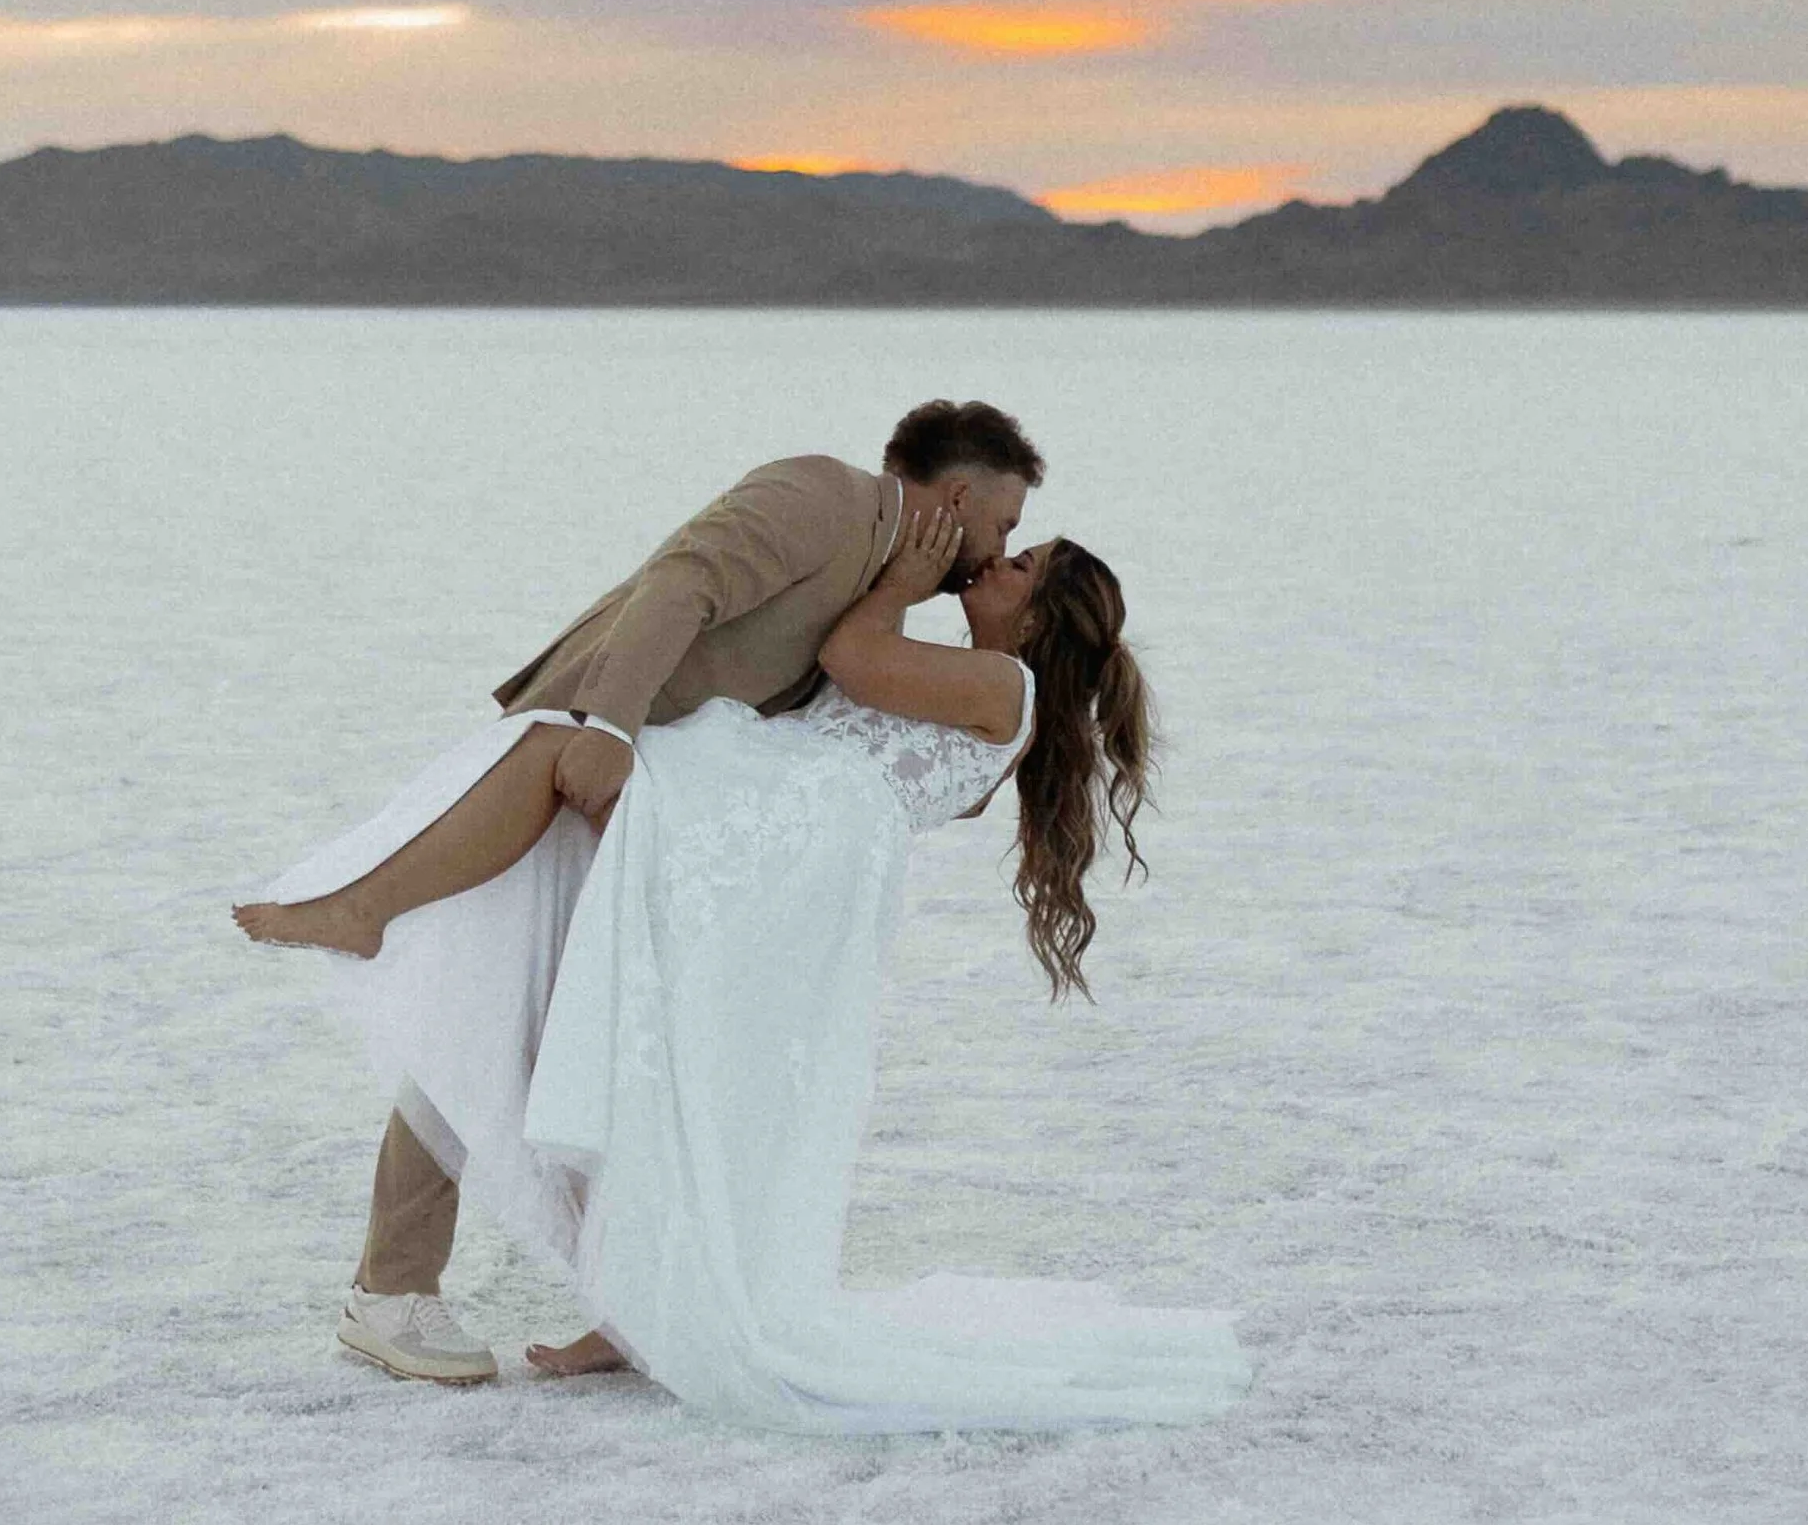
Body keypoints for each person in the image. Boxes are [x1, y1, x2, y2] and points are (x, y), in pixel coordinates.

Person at [234, 421, 1252, 1434]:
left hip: (749, 840)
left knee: (554, 804)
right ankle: (617, 1306)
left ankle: (369, 911)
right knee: (569, 1020)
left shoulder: (993, 680)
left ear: (1038, 619)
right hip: (750, 831)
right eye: (1007, 529)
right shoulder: (837, 518)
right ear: (953, 497)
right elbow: (715, 604)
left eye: (1020, 555)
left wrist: (892, 588)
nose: (998, 554)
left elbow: (852, 663)